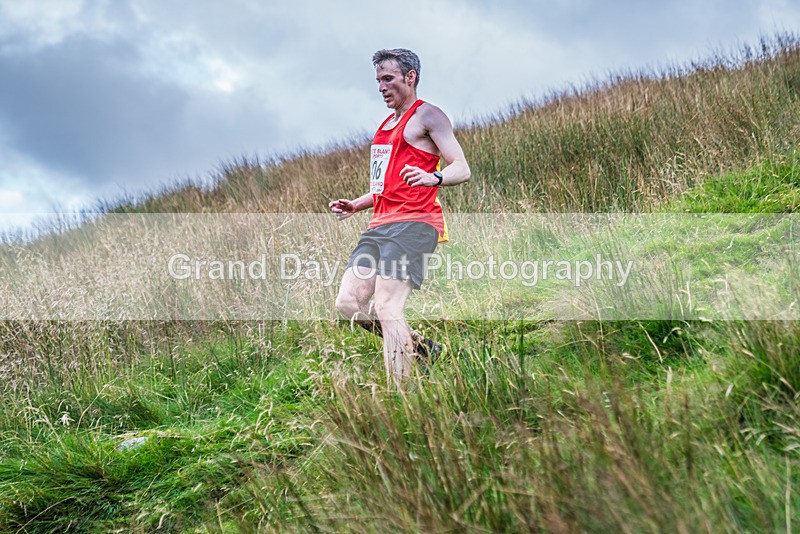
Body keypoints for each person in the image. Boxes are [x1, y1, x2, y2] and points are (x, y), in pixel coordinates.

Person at [330, 48, 471, 383]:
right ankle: (423, 349)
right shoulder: (384, 127)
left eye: (388, 78)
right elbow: (386, 185)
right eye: (378, 80)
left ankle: (400, 397)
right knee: (347, 304)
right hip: (378, 227)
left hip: (415, 224)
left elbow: (462, 168)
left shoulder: (429, 116)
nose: (381, 86)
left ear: (410, 77)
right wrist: (356, 204)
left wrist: (432, 177)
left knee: (387, 307)